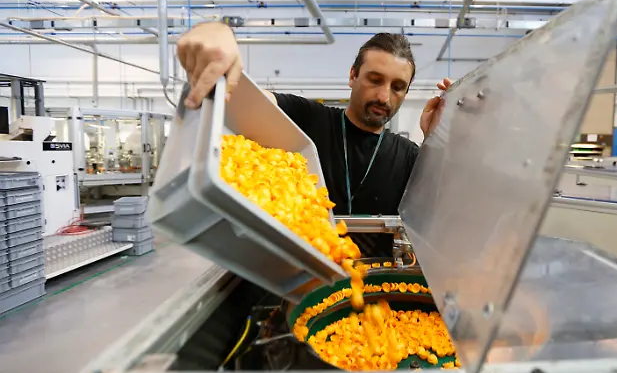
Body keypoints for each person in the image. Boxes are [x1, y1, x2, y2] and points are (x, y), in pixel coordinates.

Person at [177, 22, 451, 257]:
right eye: (374, 80)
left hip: (370, 295)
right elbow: (239, 99)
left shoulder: (409, 156)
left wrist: (436, 138)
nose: (384, 96)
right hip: (297, 281)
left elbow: (444, 214)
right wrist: (215, 34)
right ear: (353, 76)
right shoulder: (307, 118)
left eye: (397, 87)